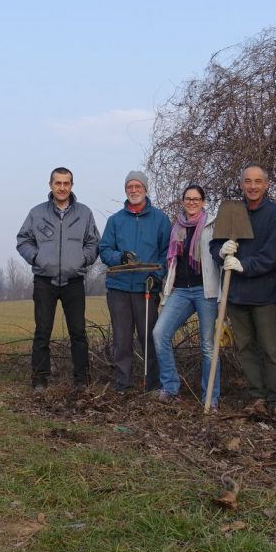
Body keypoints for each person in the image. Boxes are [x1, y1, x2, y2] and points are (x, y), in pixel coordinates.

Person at [209, 164, 276, 413]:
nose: (252, 186)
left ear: (266, 185)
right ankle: (258, 397)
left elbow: (272, 255)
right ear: (242, 184)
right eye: (248, 181)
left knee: (271, 349)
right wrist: (220, 252)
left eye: (258, 182)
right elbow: (215, 244)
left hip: (262, 294)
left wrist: (244, 264)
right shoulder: (231, 211)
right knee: (245, 348)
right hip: (235, 294)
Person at [16, 167, 100, 392]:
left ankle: (81, 381)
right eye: (58, 183)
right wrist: (36, 257)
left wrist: (84, 259)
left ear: (72, 185)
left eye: (66, 183)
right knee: (42, 332)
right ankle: (39, 381)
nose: (62, 187)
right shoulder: (37, 213)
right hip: (45, 281)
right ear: (50, 185)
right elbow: (23, 240)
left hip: (74, 281)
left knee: (78, 333)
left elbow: (93, 242)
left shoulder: (84, 213)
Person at [98, 171, 171, 393]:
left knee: (149, 338)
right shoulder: (115, 220)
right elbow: (104, 249)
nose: (134, 190)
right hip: (118, 288)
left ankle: (152, 385)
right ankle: (123, 385)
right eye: (130, 186)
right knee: (122, 340)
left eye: (138, 186)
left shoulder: (160, 219)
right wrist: (119, 257)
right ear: (125, 190)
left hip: (146, 288)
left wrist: (156, 276)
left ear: (146, 189)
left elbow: (167, 253)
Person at [151, 185, 221, 406]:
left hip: (206, 291)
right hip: (180, 290)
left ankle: (210, 397)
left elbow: (219, 254)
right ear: (182, 201)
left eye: (196, 199)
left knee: (208, 345)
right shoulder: (177, 227)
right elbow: (171, 261)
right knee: (159, 333)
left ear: (203, 202)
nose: (192, 202)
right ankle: (170, 389)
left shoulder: (212, 224)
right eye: (188, 199)